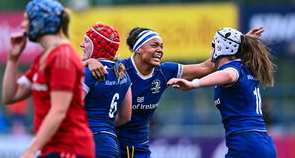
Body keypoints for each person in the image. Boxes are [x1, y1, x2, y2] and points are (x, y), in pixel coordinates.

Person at [86, 26, 264, 157]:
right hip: (110, 142)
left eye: (162, 46)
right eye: (155, 45)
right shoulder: (121, 69)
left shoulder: (165, 71)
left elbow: (205, 67)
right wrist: (89, 62)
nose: (160, 50)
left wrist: (239, 44)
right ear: (139, 49)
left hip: (138, 146)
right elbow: (90, 68)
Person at [2, 0, 94, 158]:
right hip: (52, 149)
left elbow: (59, 111)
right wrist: (12, 59)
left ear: (40, 21)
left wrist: (31, 150)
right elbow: (10, 96)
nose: (23, 26)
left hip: (70, 149)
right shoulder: (43, 58)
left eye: (26, 20)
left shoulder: (62, 56)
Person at [167, 27, 277, 158]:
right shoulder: (244, 66)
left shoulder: (231, 69)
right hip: (262, 141)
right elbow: (214, 67)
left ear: (220, 48)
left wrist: (193, 84)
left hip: (246, 144)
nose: (211, 50)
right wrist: (242, 41)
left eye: (213, 45)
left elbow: (229, 75)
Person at [80, 23, 132, 158]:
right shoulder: (123, 73)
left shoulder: (89, 73)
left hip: (88, 143)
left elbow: (71, 108)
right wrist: (104, 125)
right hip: (110, 143)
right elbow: (126, 116)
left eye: (86, 41)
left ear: (98, 46)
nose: (81, 44)